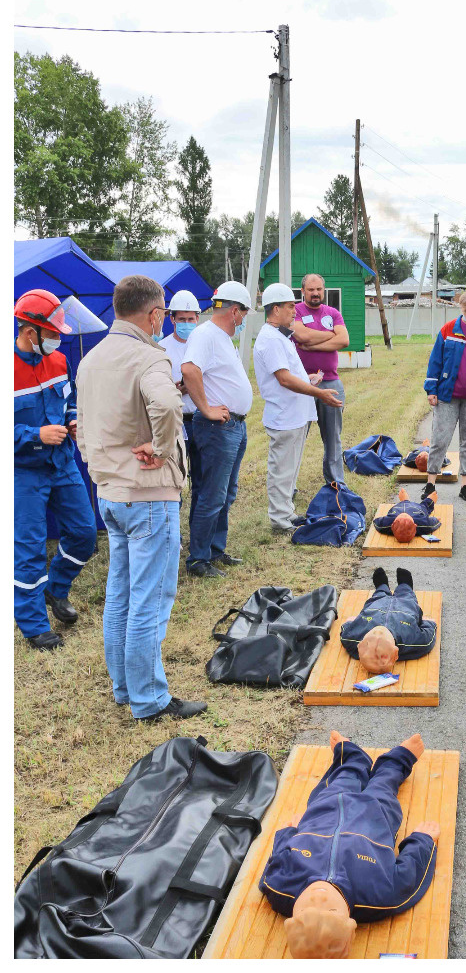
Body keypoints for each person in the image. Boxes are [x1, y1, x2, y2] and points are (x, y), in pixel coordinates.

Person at [75, 275, 206, 722]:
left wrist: (98, 469)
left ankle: (124, 687)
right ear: (154, 316)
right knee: (149, 598)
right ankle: (149, 699)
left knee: (121, 594)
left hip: (111, 493)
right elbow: (168, 407)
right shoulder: (148, 357)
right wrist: (163, 447)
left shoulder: (90, 360)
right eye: (165, 313)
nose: (165, 320)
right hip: (149, 494)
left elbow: (82, 426)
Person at [259, 731, 440, 959]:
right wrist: (423, 839)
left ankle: (352, 758)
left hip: (325, 812)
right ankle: (398, 759)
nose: (319, 898)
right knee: (384, 784)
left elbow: (277, 859)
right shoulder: (380, 896)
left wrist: (289, 832)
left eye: (306, 909)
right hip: (375, 815)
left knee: (340, 780)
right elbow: (411, 874)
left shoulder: (278, 888)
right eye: (331, 910)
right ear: (351, 923)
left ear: (290, 919)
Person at [13, 290, 97, 650]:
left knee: (84, 533)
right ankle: (34, 627)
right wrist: (35, 434)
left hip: (63, 463)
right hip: (23, 472)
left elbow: (70, 400)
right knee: (29, 549)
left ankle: (55, 589)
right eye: (51, 332)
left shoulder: (60, 361)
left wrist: (73, 420)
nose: (56, 338)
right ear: (30, 331)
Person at [254, 283, 344, 534]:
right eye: (290, 306)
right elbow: (284, 379)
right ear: (275, 309)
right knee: (282, 470)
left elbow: (291, 374)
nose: (295, 311)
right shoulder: (271, 339)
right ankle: (280, 519)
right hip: (284, 415)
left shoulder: (280, 336)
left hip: (294, 415)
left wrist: (308, 380)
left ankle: (287, 512)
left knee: (290, 469)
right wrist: (318, 392)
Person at [179, 281, 254, 578]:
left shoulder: (222, 337)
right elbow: (189, 370)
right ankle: (198, 559)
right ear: (234, 310)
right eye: (244, 313)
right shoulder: (205, 334)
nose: (245, 319)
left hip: (233, 425)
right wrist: (207, 408)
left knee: (226, 492)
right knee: (212, 493)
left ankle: (214, 550)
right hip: (216, 427)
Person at [422, 290, 466, 503]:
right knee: (440, 439)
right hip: (447, 396)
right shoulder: (448, 330)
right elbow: (435, 361)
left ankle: (465, 486)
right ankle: (430, 483)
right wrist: (431, 390)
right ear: (461, 309)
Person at [288, 273, 349, 486]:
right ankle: (289, 485)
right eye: (311, 289)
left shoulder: (333, 313)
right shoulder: (293, 310)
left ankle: (335, 483)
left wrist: (312, 344)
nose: (315, 293)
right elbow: (300, 336)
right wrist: (329, 334)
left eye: (319, 289)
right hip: (300, 383)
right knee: (295, 438)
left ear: (324, 290)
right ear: (302, 291)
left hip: (331, 382)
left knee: (333, 438)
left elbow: (344, 339)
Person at [338, 567, 438, 673]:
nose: (378, 633)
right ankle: (405, 585)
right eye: (383, 639)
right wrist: (428, 623)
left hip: (376, 607)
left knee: (378, 595)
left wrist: (351, 622)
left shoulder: (351, 639)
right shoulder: (412, 641)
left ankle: (382, 586)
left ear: (359, 645)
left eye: (370, 638)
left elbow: (345, 631)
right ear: (396, 651)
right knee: (407, 596)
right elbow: (428, 637)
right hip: (404, 607)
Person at [159, 290, 203, 523]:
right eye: (181, 319)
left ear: (198, 318)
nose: (187, 323)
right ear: (172, 318)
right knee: (174, 479)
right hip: (176, 421)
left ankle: (198, 530)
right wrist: (177, 389)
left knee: (202, 480)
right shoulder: (162, 349)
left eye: (191, 319)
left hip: (201, 419)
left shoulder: (205, 344)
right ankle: (172, 531)